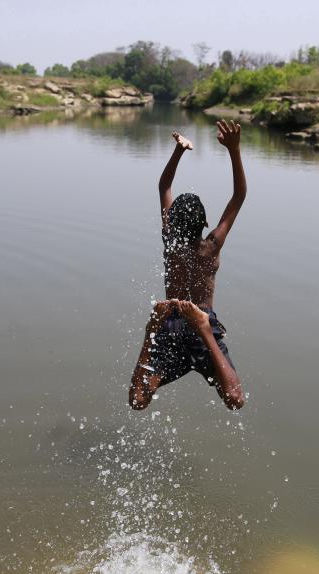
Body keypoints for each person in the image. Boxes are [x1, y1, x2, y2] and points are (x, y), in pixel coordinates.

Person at [129, 120, 247, 411]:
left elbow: (164, 185)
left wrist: (179, 151)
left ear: (171, 223)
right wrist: (234, 151)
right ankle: (206, 330)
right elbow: (238, 196)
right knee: (234, 402)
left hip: (169, 323)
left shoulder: (170, 242)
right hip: (202, 321)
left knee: (137, 401)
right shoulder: (211, 246)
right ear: (205, 223)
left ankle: (152, 331)